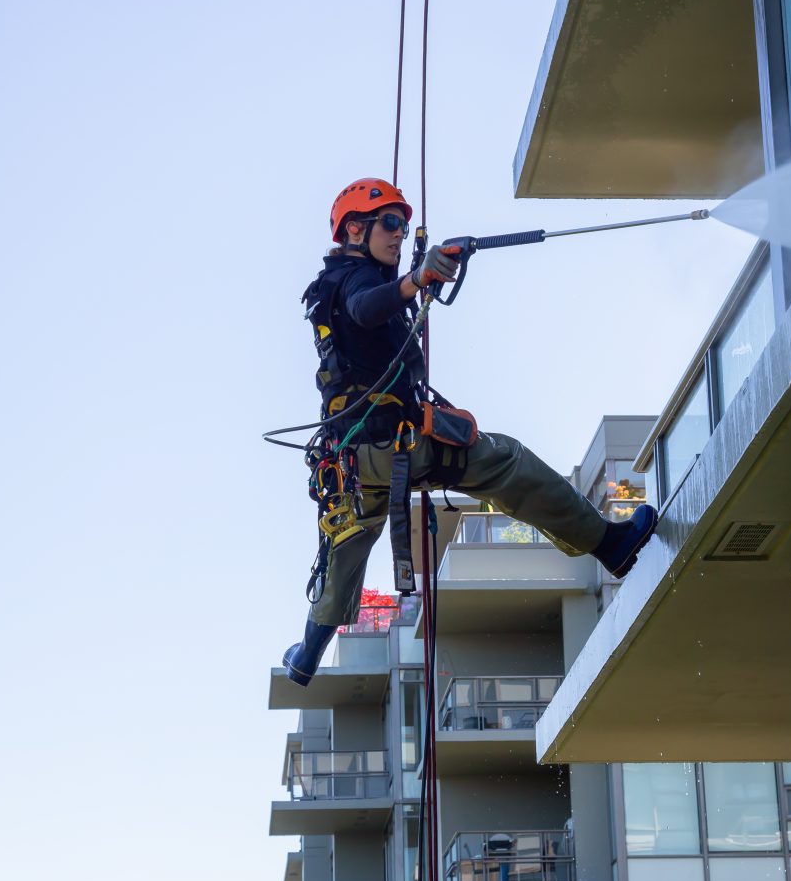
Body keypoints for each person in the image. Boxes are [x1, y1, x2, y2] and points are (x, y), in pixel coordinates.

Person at [281, 177, 657, 685]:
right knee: (504, 461)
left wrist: (418, 279)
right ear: (354, 229)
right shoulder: (354, 281)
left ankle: (307, 653)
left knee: (348, 545)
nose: (399, 233)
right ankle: (609, 544)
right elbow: (366, 307)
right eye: (389, 223)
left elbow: (374, 311)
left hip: (356, 460)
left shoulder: (337, 284)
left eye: (404, 224)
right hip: (391, 447)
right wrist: (416, 279)